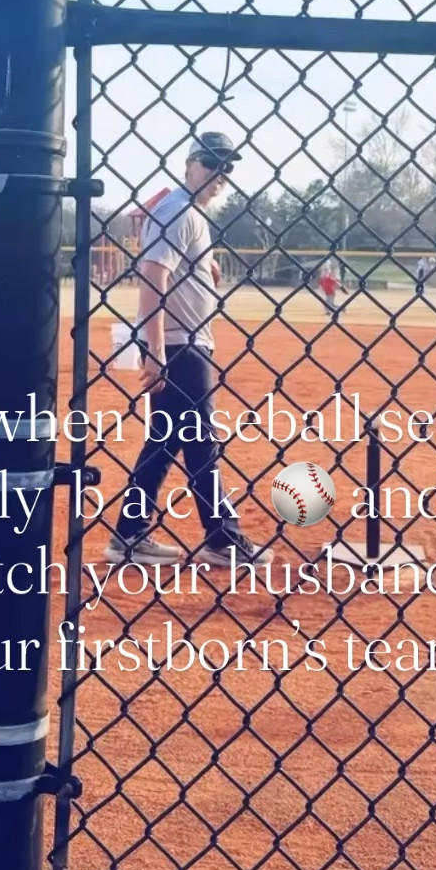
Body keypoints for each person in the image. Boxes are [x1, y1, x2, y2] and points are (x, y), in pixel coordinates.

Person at [107, 131, 272, 568]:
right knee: (201, 443)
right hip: (181, 346)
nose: (219, 175)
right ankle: (222, 539)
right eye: (211, 163)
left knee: (164, 443)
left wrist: (203, 266)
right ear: (189, 163)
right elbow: (152, 275)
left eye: (227, 168)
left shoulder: (184, 212)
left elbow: (171, 265)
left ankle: (129, 534)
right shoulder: (180, 211)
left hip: (182, 342)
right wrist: (156, 351)